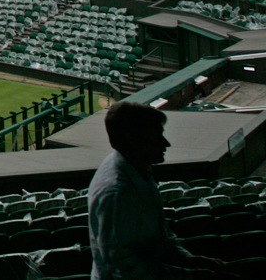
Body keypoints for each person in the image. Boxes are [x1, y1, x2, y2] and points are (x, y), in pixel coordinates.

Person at [89, 101, 225, 280]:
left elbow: (158, 230)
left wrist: (186, 258)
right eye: (156, 136)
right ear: (132, 140)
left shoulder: (138, 167)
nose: (166, 144)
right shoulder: (117, 193)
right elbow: (124, 265)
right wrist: (188, 276)